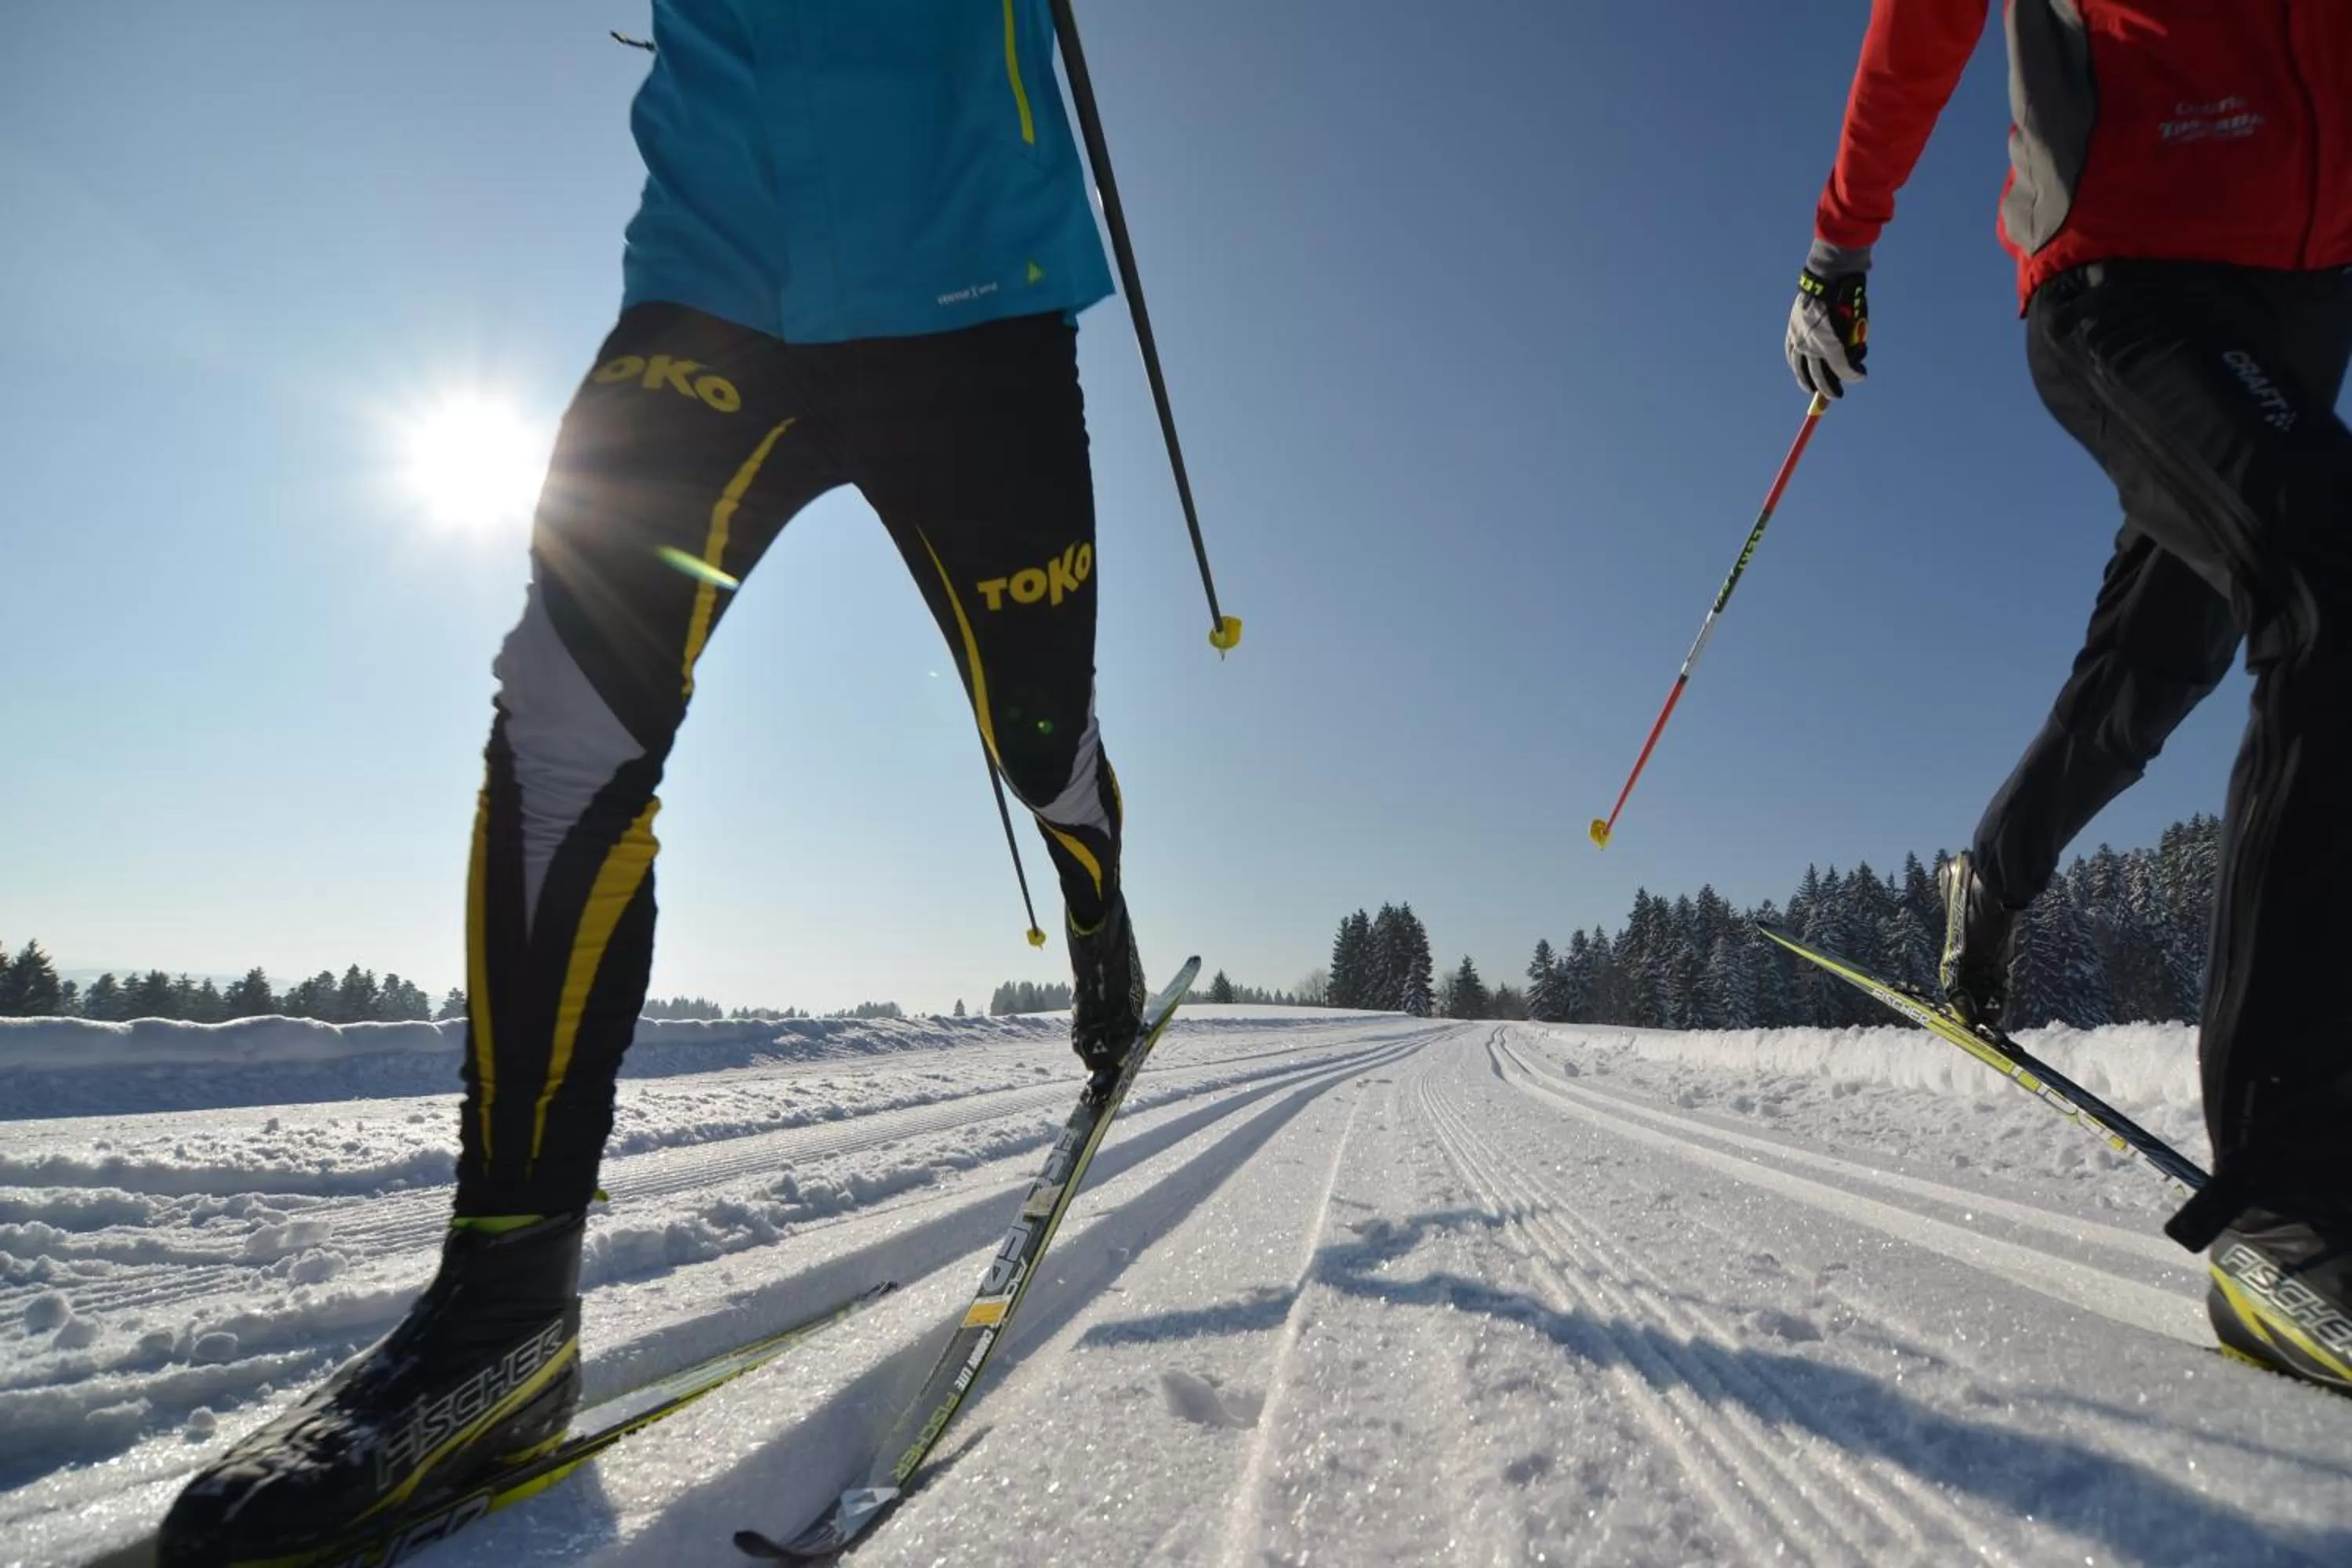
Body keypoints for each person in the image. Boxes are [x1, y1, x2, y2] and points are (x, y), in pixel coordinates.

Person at [162, 3, 1149, 1557]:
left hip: (971, 284)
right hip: (712, 277)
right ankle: (504, 1314)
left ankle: (1099, 911)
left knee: (1039, 735)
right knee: (563, 720)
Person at [1784, 0, 2352, 1393]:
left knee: (2153, 677)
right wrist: (1840, 244)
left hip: (2305, 294)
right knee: (2332, 585)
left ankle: (1993, 870)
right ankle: (2294, 1198)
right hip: (2126, 272)